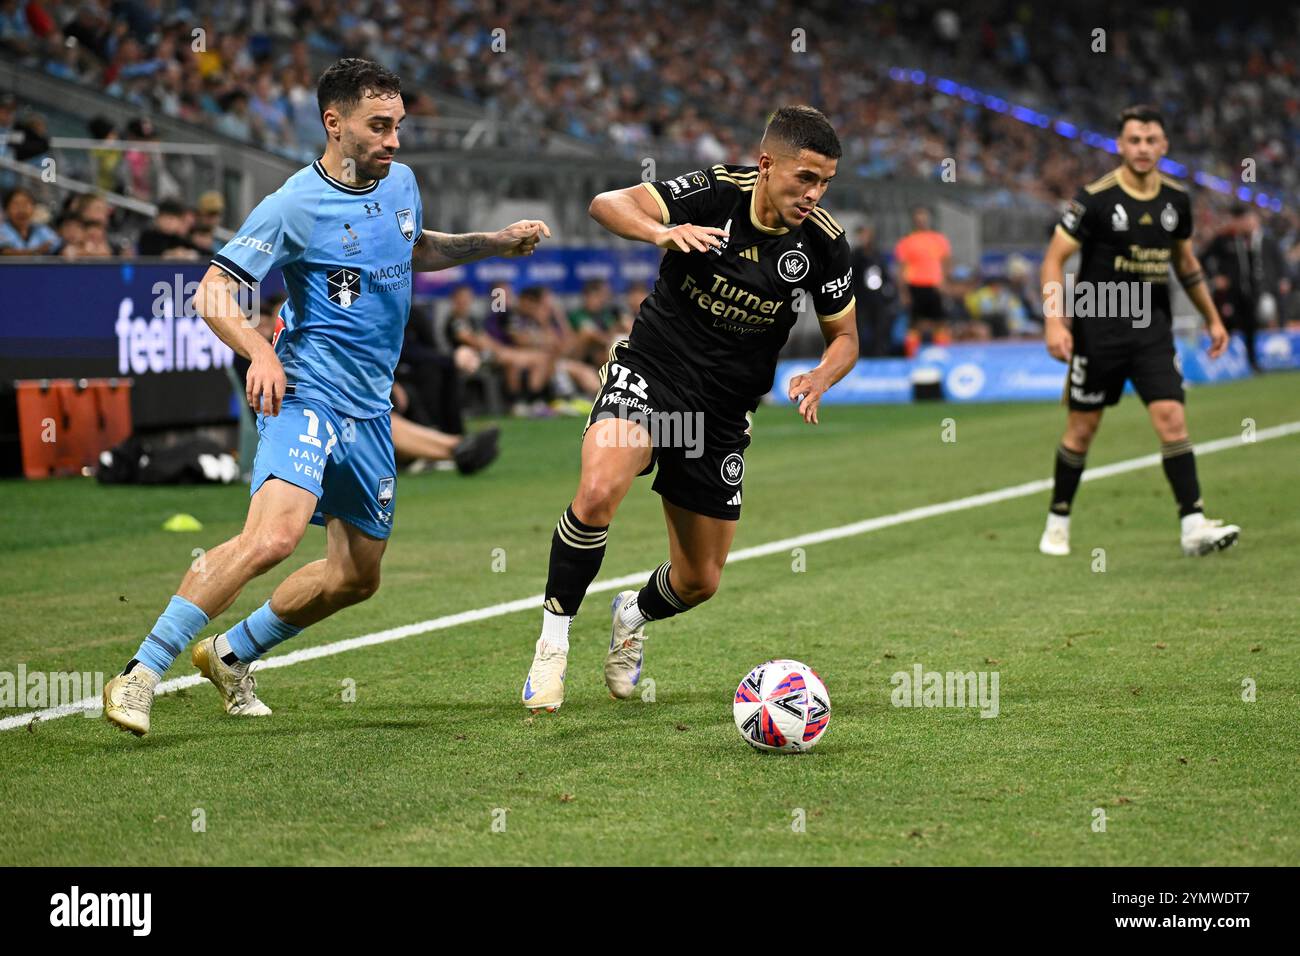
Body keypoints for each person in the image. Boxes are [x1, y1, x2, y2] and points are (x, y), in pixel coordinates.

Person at [102, 57, 550, 736]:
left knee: (356, 578)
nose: (394, 140)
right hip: (307, 391)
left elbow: (413, 247)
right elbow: (212, 292)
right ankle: (140, 674)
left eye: (398, 124)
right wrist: (258, 353)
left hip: (370, 412)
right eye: (379, 126)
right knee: (275, 537)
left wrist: (492, 243)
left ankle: (228, 655)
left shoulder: (401, 182)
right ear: (333, 123)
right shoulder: (293, 205)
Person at [520, 105, 858, 713]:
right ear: (765, 165)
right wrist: (660, 232)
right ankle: (552, 645)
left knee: (700, 580)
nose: (815, 193)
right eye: (805, 178)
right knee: (598, 491)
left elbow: (846, 338)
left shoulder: (824, 243)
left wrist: (821, 374)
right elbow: (605, 202)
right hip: (653, 370)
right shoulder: (713, 193)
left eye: (825, 182)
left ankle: (632, 611)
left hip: (722, 413)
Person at [1038, 104, 1238, 559]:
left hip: (1152, 328)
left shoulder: (1177, 200)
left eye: (1151, 141)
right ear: (1120, 145)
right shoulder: (1094, 199)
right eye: (1134, 140)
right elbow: (1053, 259)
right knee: (1082, 430)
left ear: (1164, 145)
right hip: (1098, 328)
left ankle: (1192, 525)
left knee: (1172, 418)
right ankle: (1058, 520)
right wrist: (1055, 318)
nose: (1143, 148)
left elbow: (1185, 264)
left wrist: (1212, 317)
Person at [1202, 204, 1288, 372]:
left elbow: (1279, 263)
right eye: (1242, 220)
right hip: (1231, 295)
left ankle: (1252, 363)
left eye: (1249, 219)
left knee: (1252, 328)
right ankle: (1217, 363)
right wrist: (1215, 278)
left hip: (1257, 294)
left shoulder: (1267, 241)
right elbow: (1203, 259)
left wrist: (1282, 280)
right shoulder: (1224, 240)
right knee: (1227, 326)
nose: (1246, 223)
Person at [893, 205, 950, 350]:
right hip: (915, 286)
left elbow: (946, 262)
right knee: (914, 325)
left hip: (934, 286)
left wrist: (944, 281)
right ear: (914, 221)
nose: (922, 221)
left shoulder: (938, 239)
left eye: (924, 218)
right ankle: (912, 357)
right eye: (919, 219)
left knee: (940, 323)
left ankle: (941, 354)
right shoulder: (907, 241)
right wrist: (903, 293)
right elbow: (900, 269)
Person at [0, 187, 59, 255]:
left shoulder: (41, 229)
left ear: (34, 208)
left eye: (25, 204)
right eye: (16, 204)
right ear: (6, 210)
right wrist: (36, 251)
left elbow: (57, 243)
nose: (21, 210)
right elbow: (6, 252)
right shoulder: (2, 230)